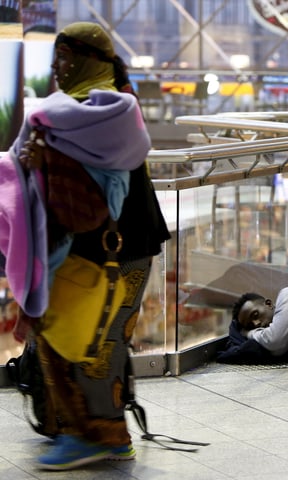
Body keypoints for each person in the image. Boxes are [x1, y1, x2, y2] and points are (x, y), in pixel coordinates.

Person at [9, 22, 171, 469]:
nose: (57, 68)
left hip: (119, 248)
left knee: (100, 341)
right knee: (75, 334)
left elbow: (85, 186)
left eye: (65, 59)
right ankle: (81, 427)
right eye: (55, 59)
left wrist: (44, 157)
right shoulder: (79, 108)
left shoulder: (107, 109)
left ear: (84, 60)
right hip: (95, 246)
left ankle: (104, 435)